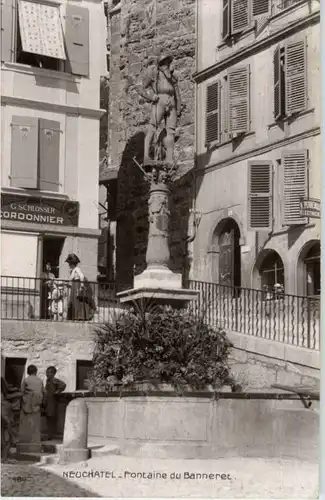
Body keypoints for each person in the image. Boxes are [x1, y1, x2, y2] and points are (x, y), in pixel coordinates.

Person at [139, 53, 182, 164]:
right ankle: (146, 156)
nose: (166, 65)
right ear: (160, 64)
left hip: (171, 101)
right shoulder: (154, 74)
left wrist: (178, 108)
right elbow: (141, 89)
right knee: (153, 127)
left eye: (167, 62)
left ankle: (169, 158)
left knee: (171, 131)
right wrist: (151, 97)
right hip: (159, 100)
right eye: (164, 63)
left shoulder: (172, 78)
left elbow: (177, 94)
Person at [18, 365, 44, 451]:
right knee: (36, 423)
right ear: (36, 371)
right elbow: (43, 391)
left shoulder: (26, 380)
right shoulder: (40, 380)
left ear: (28, 372)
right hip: (37, 403)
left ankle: (26, 439)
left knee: (27, 423)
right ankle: (35, 440)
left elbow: (22, 392)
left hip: (27, 403)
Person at [65, 253, 96, 321]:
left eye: (69, 263)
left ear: (71, 264)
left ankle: (80, 316)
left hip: (77, 285)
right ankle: (75, 316)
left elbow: (81, 276)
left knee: (78, 301)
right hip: (74, 286)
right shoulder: (73, 271)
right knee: (74, 301)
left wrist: (81, 285)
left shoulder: (77, 269)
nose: (69, 265)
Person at [44, 366, 66, 441]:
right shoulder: (48, 380)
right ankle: (49, 434)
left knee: (51, 418)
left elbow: (63, 384)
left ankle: (50, 435)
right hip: (48, 402)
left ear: (53, 373)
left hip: (52, 402)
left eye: (49, 372)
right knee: (48, 418)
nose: (47, 374)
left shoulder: (54, 380)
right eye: (47, 372)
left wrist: (58, 391)